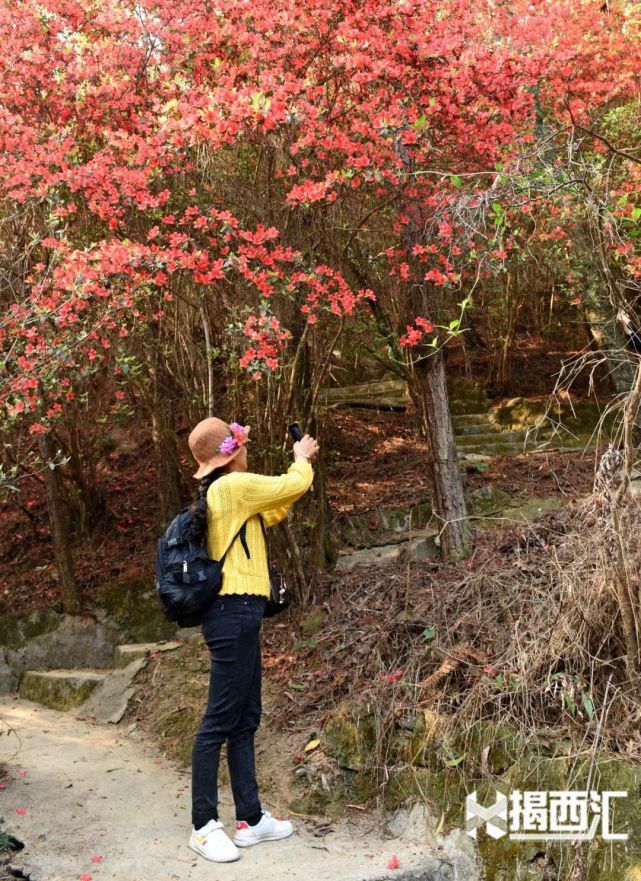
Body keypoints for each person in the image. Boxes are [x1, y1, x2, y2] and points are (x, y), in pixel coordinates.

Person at [186, 416, 319, 863]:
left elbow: (275, 507)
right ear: (232, 451)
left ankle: (251, 819)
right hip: (231, 612)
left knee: (245, 716)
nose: (246, 447)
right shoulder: (231, 488)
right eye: (240, 442)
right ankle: (204, 825)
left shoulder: (229, 492)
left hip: (241, 612)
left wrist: (293, 477)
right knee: (218, 722)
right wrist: (301, 460)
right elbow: (290, 487)